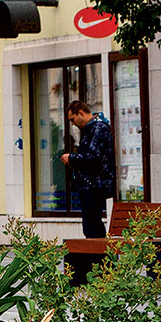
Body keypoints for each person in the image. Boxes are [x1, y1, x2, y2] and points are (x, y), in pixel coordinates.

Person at [61, 99, 114, 239]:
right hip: (90, 184)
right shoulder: (90, 129)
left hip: (95, 185)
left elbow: (94, 156)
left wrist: (71, 158)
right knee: (91, 225)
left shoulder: (98, 129)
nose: (72, 124)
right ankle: (98, 257)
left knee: (92, 226)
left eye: (73, 119)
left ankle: (99, 258)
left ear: (81, 113)